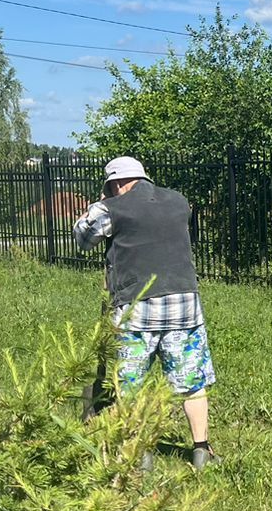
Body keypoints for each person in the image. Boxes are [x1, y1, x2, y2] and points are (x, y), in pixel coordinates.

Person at [73, 156, 219, 469]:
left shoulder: (110, 208)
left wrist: (98, 206)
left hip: (136, 311)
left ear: (115, 183)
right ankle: (201, 451)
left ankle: (141, 455)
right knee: (192, 382)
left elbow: (83, 239)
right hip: (184, 307)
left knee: (130, 385)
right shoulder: (179, 202)